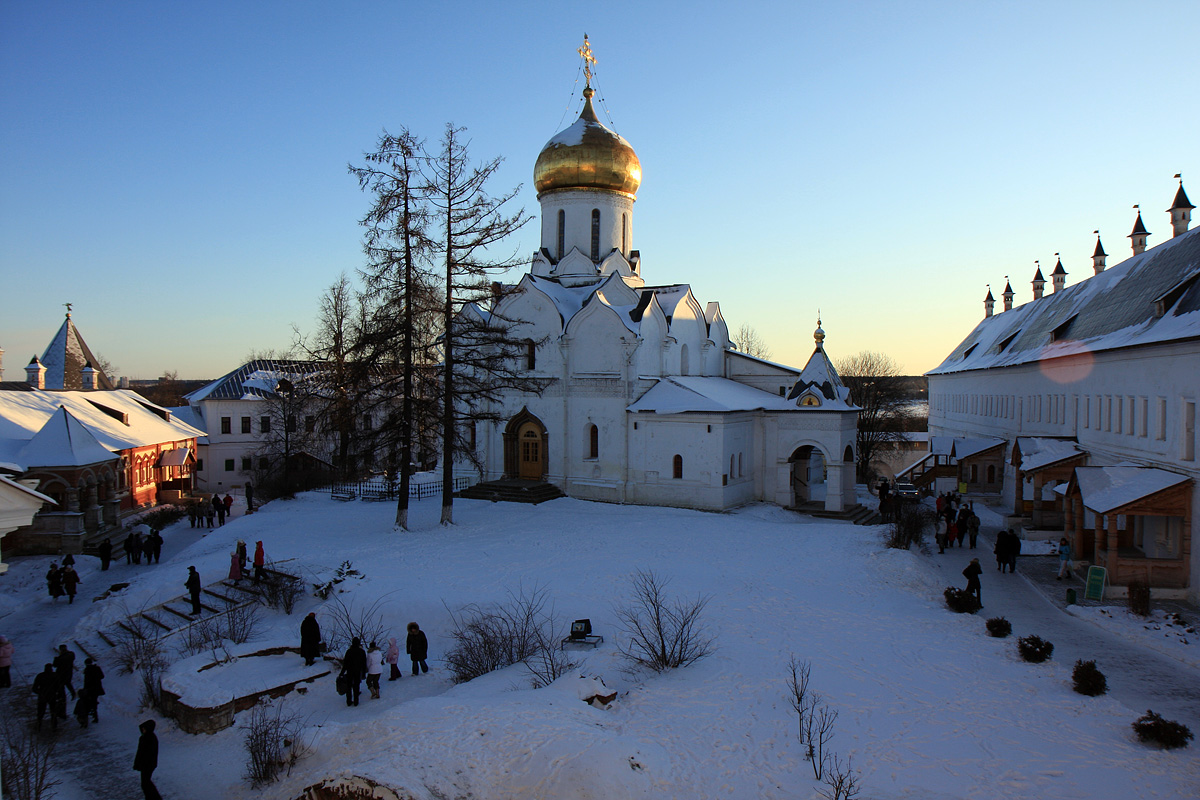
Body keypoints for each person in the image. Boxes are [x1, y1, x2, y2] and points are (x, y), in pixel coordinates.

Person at [133, 719, 162, 800]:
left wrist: (139, 763)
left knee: (145, 783)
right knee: (146, 782)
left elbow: (143, 753)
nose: (143, 730)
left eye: (144, 728)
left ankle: (153, 797)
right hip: (148, 764)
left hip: (147, 764)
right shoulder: (149, 737)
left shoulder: (148, 738)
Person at [32, 663, 65, 731]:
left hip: (42, 696)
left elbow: (34, 688)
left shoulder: (40, 676)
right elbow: (59, 687)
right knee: (53, 712)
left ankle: (39, 725)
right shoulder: (55, 676)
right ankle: (54, 726)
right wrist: (60, 695)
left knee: (40, 712)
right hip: (52, 696)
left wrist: (40, 692)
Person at [342, 637, 367, 707]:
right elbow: (364, 663)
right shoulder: (362, 652)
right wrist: (364, 673)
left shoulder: (349, 651)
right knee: (356, 686)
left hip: (349, 671)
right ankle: (356, 701)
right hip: (357, 671)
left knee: (349, 686)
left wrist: (342, 673)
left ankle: (349, 701)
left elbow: (345, 663)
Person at [81, 657, 104, 723]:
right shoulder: (97, 668)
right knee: (94, 701)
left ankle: (94, 716)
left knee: (90, 701)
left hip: (90, 689)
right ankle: (95, 715)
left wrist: (85, 689)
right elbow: (102, 676)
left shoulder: (87, 670)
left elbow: (86, 681)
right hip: (97, 688)